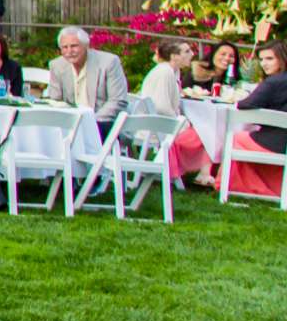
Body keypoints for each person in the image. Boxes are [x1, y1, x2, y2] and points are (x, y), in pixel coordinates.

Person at [140, 40, 216, 188]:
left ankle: (202, 173)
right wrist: (183, 123)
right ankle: (199, 173)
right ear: (174, 56)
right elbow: (161, 107)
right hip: (156, 128)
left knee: (205, 129)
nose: (192, 54)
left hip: (162, 123)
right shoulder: (164, 72)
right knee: (206, 132)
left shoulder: (173, 71)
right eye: (187, 51)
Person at [220, 40, 287, 198]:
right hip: (283, 143)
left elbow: (246, 105)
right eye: (262, 59)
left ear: (283, 58)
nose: (264, 64)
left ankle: (232, 185)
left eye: (270, 59)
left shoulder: (273, 82)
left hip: (273, 143)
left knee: (236, 138)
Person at [46, 24, 127, 133]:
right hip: (70, 124)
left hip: (102, 123)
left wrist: (90, 122)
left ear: (86, 45)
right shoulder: (56, 65)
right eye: (65, 47)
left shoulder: (109, 62)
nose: (69, 51)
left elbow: (117, 101)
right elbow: (54, 100)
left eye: (74, 46)